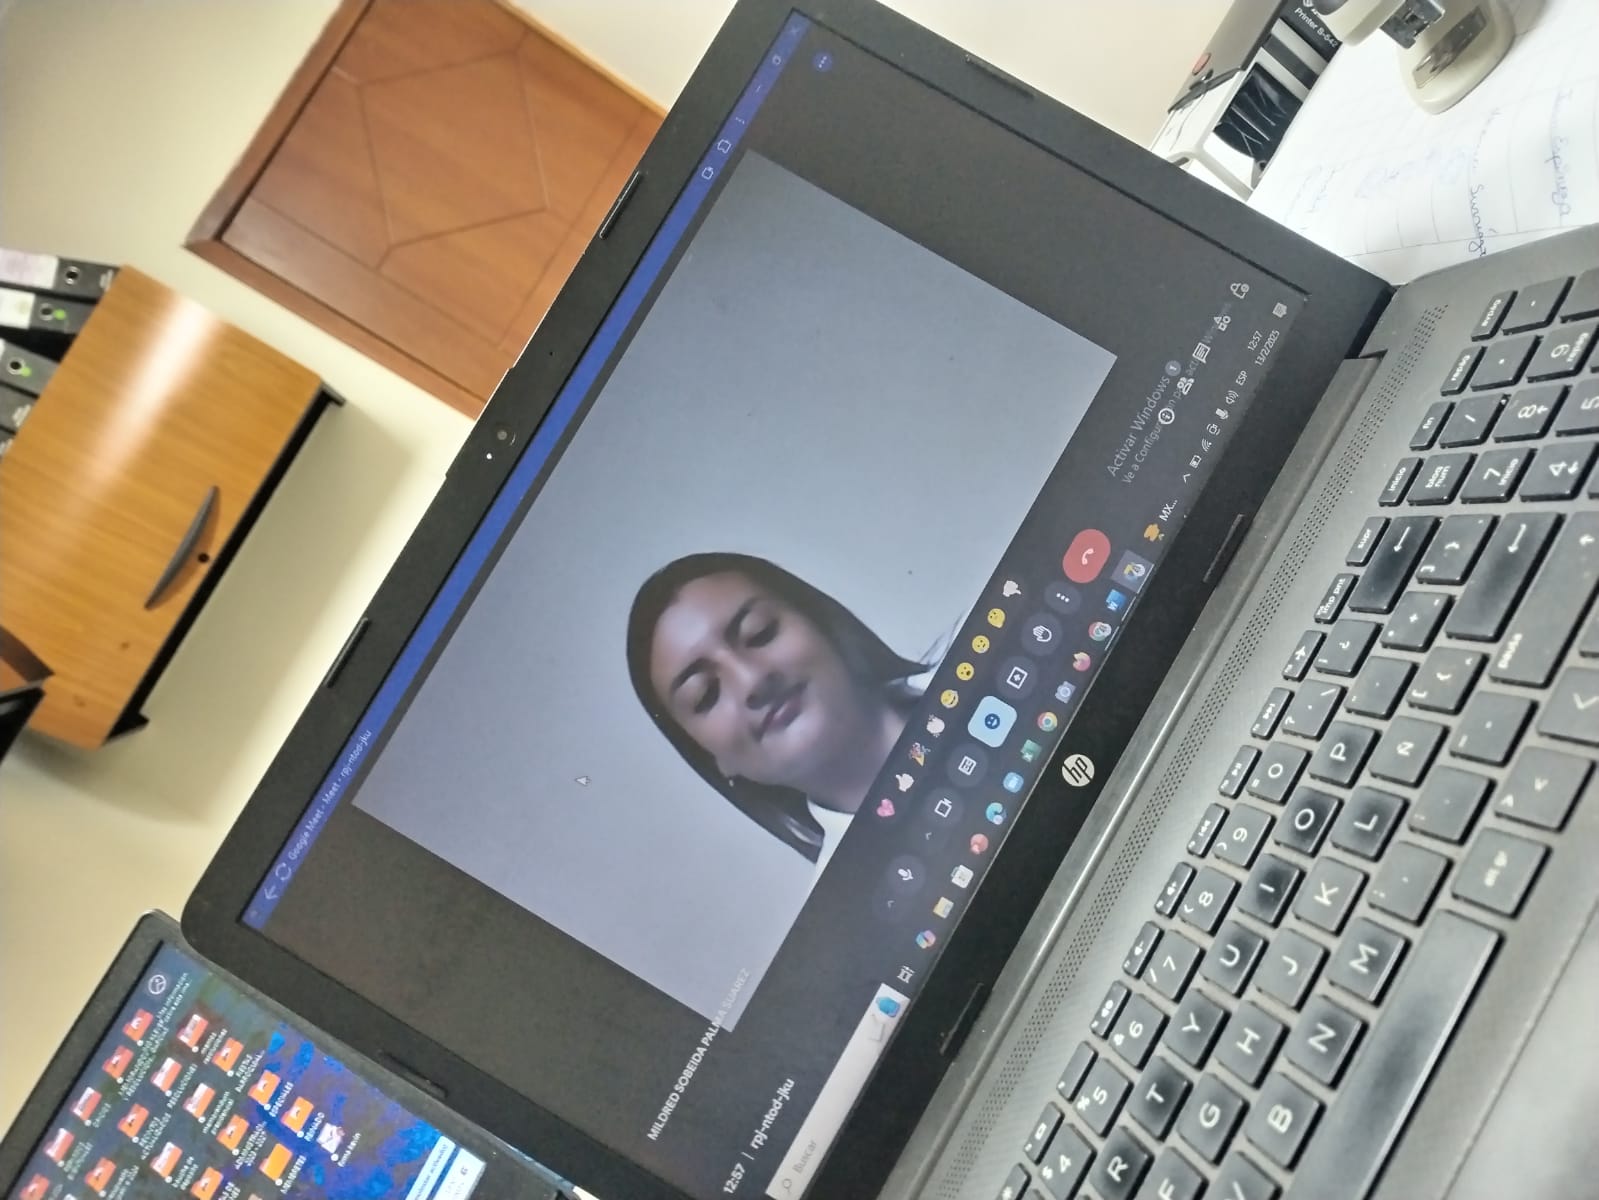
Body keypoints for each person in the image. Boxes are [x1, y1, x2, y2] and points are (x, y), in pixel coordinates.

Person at [627, 552, 929, 866]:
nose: (752, 679)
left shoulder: (968, 661)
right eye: (705, 694)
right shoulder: (850, 892)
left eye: (760, 632)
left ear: (821, 623)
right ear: (714, 759)